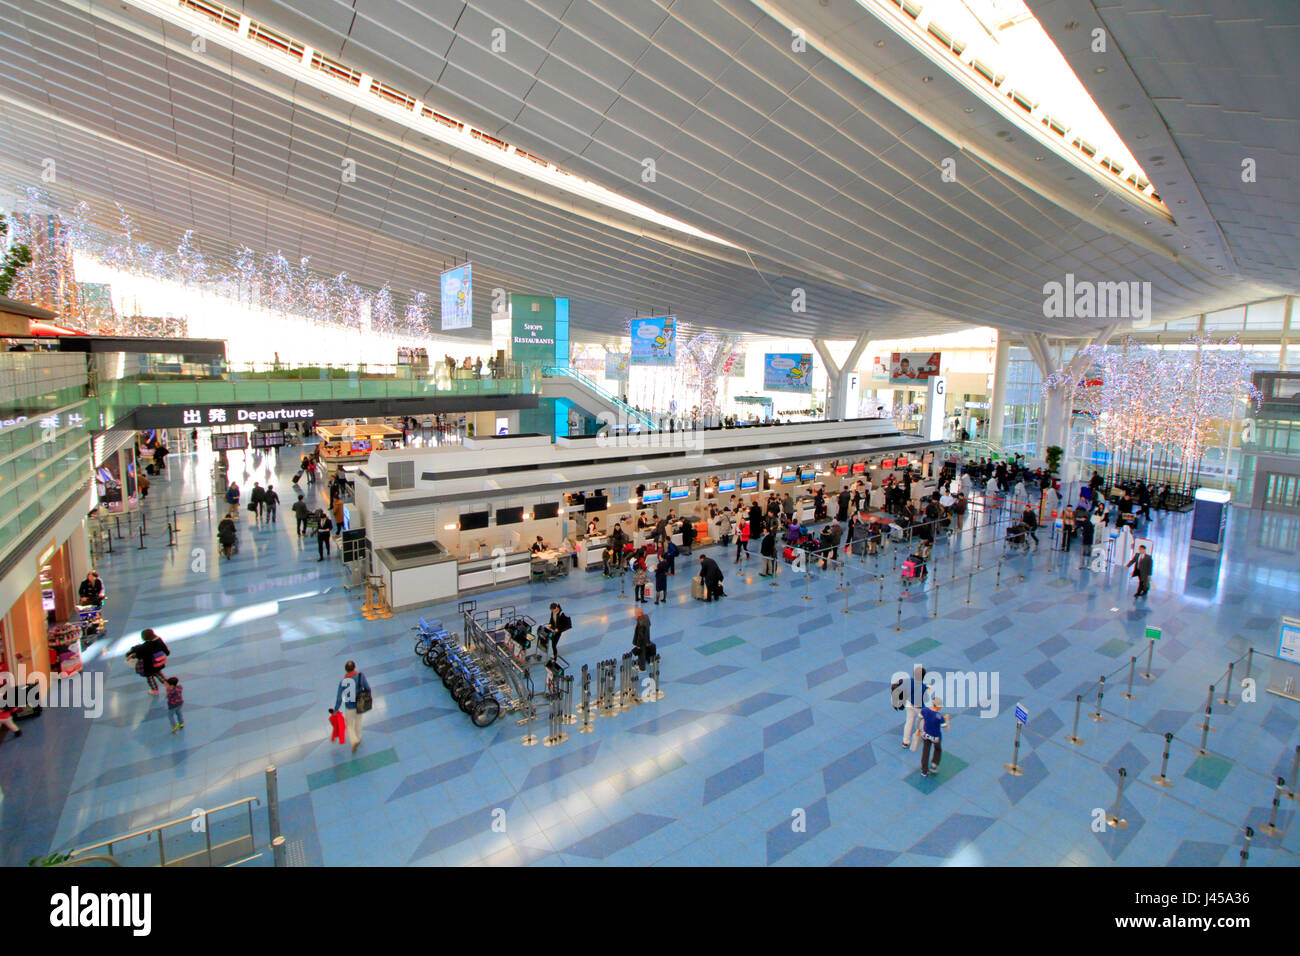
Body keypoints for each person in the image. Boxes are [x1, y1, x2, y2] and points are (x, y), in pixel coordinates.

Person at [334, 660, 371, 755]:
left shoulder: (343, 682)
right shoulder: (360, 676)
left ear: (346, 670)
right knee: (359, 721)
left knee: (349, 725)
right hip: (360, 704)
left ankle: (354, 740)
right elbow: (368, 688)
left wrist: (336, 710)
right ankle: (358, 738)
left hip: (349, 706)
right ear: (354, 667)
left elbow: (339, 698)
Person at [127, 628, 170, 695]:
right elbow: (165, 649)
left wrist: (132, 655)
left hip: (148, 665)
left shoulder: (144, 647)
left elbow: (138, 655)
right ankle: (168, 684)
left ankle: (155, 690)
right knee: (159, 674)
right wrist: (167, 653)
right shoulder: (158, 640)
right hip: (158, 663)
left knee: (150, 678)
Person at [919, 696, 950, 777]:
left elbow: (919, 719)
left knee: (925, 751)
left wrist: (919, 730)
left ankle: (924, 771)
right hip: (936, 737)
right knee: (937, 749)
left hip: (926, 735)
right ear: (938, 706)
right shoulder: (939, 717)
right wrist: (947, 720)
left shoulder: (924, 710)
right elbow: (946, 729)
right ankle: (934, 766)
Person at [901, 665, 927, 750]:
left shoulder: (909, 682)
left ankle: (905, 741)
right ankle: (923, 735)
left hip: (908, 704)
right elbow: (925, 699)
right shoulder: (922, 686)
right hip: (918, 706)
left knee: (909, 721)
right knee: (923, 720)